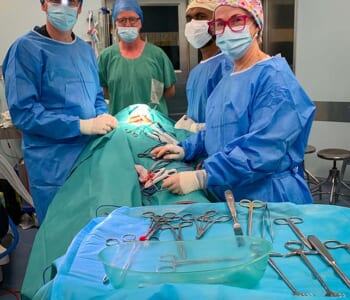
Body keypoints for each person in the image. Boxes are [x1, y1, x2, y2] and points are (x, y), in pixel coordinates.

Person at [151, 0, 316, 204]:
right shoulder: (229, 78)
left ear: (256, 25)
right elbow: (219, 132)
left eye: (237, 20)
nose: (227, 29)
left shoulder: (275, 80)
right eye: (219, 23)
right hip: (230, 193)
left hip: (270, 198)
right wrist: (186, 148)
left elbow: (263, 150)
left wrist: (203, 176)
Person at [2, 0, 117, 224]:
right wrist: (80, 125)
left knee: (90, 231)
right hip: (52, 167)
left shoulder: (85, 50)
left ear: (80, 8)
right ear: (44, 5)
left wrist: (102, 116)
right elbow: (24, 112)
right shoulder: (26, 49)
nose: (65, 5)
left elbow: (95, 96)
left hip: (88, 158)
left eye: (72, 1)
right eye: (56, 0)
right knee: (59, 235)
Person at [98, 0, 177, 116]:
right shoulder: (106, 57)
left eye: (132, 19)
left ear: (140, 22)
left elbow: (169, 91)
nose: (128, 24)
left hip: (153, 127)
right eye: (122, 20)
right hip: (120, 127)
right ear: (116, 24)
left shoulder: (157, 55)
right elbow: (104, 92)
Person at [175, 0, 233, 133]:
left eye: (201, 16)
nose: (193, 23)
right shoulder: (196, 72)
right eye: (189, 18)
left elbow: (232, 123)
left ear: (219, 22)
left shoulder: (227, 66)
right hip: (195, 147)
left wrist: (200, 128)